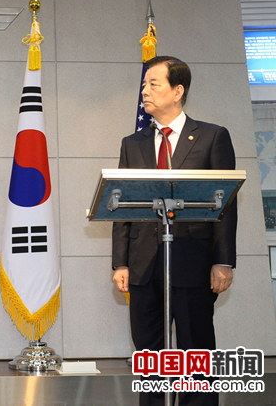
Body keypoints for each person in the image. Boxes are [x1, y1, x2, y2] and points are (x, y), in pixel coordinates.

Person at [112, 56, 237, 406]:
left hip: (193, 262)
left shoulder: (212, 137)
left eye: (153, 84)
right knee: (149, 357)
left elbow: (226, 204)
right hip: (143, 265)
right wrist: (120, 262)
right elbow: (121, 204)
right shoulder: (132, 143)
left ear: (178, 91)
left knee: (196, 354)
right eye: (144, 84)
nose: (145, 91)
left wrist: (223, 261)